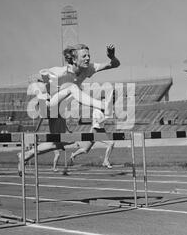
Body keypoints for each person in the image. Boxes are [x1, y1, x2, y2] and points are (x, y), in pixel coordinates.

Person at [18, 43, 120, 176]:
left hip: (57, 107)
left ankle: (25, 155)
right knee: (72, 88)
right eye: (84, 56)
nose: (88, 58)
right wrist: (43, 95)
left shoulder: (89, 68)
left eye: (89, 55)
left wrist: (112, 57)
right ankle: (101, 105)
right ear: (74, 59)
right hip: (45, 103)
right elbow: (32, 78)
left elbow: (114, 64)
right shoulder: (59, 72)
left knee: (59, 143)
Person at [62, 95, 115, 174]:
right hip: (95, 131)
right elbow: (99, 122)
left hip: (101, 130)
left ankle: (73, 154)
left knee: (86, 150)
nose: (105, 103)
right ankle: (105, 161)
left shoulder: (103, 110)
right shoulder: (96, 111)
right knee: (111, 143)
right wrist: (107, 117)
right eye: (103, 101)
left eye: (105, 101)